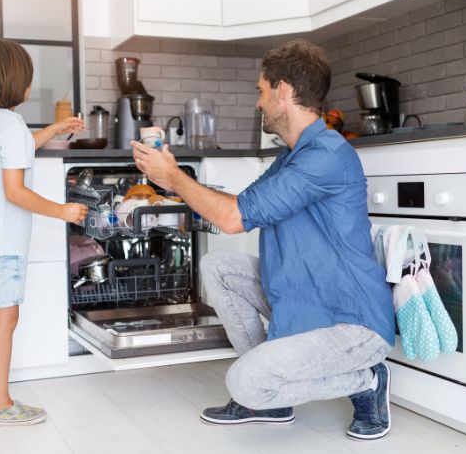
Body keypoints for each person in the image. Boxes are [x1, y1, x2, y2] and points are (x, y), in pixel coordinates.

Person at [131, 39, 395, 441]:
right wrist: (170, 181)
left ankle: (365, 380)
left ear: (284, 91)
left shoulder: (325, 156)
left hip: (351, 323)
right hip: (306, 305)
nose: (258, 103)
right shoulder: (290, 156)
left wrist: (174, 178)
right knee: (218, 266)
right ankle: (272, 398)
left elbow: (235, 218)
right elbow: (240, 205)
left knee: (245, 382)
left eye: (261, 91)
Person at [0, 38, 88, 427]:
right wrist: (60, 210)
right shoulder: (9, 124)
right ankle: (0, 403)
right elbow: (15, 191)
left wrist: (56, 128)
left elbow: (22, 147)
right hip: (3, 242)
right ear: (17, 84)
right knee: (6, 317)